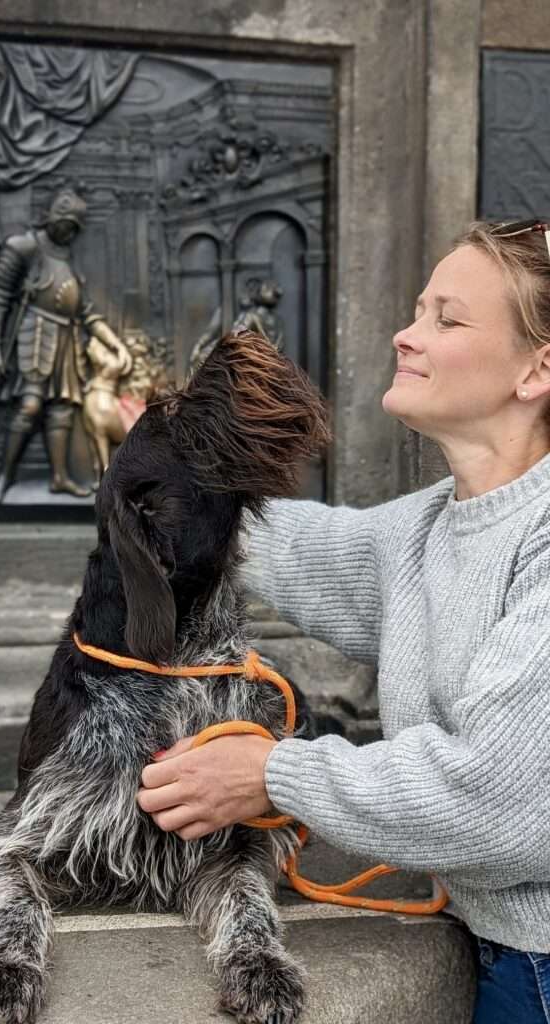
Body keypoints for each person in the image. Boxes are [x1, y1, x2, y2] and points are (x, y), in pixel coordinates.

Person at [137, 219, 550, 1022]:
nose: (405, 334)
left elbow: (502, 804)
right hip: (503, 946)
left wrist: (270, 772)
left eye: (447, 319)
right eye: (418, 309)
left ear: (537, 368)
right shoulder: (435, 524)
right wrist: (156, 468)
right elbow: (302, 547)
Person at [0, 188, 124, 502]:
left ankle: (60, 478)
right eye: (66, 224)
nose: (69, 232)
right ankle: (5, 476)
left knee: (61, 412)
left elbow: (87, 312)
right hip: (35, 334)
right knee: (30, 406)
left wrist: (115, 343)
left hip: (66, 341)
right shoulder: (24, 247)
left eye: (75, 227)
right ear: (52, 217)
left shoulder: (68, 259)